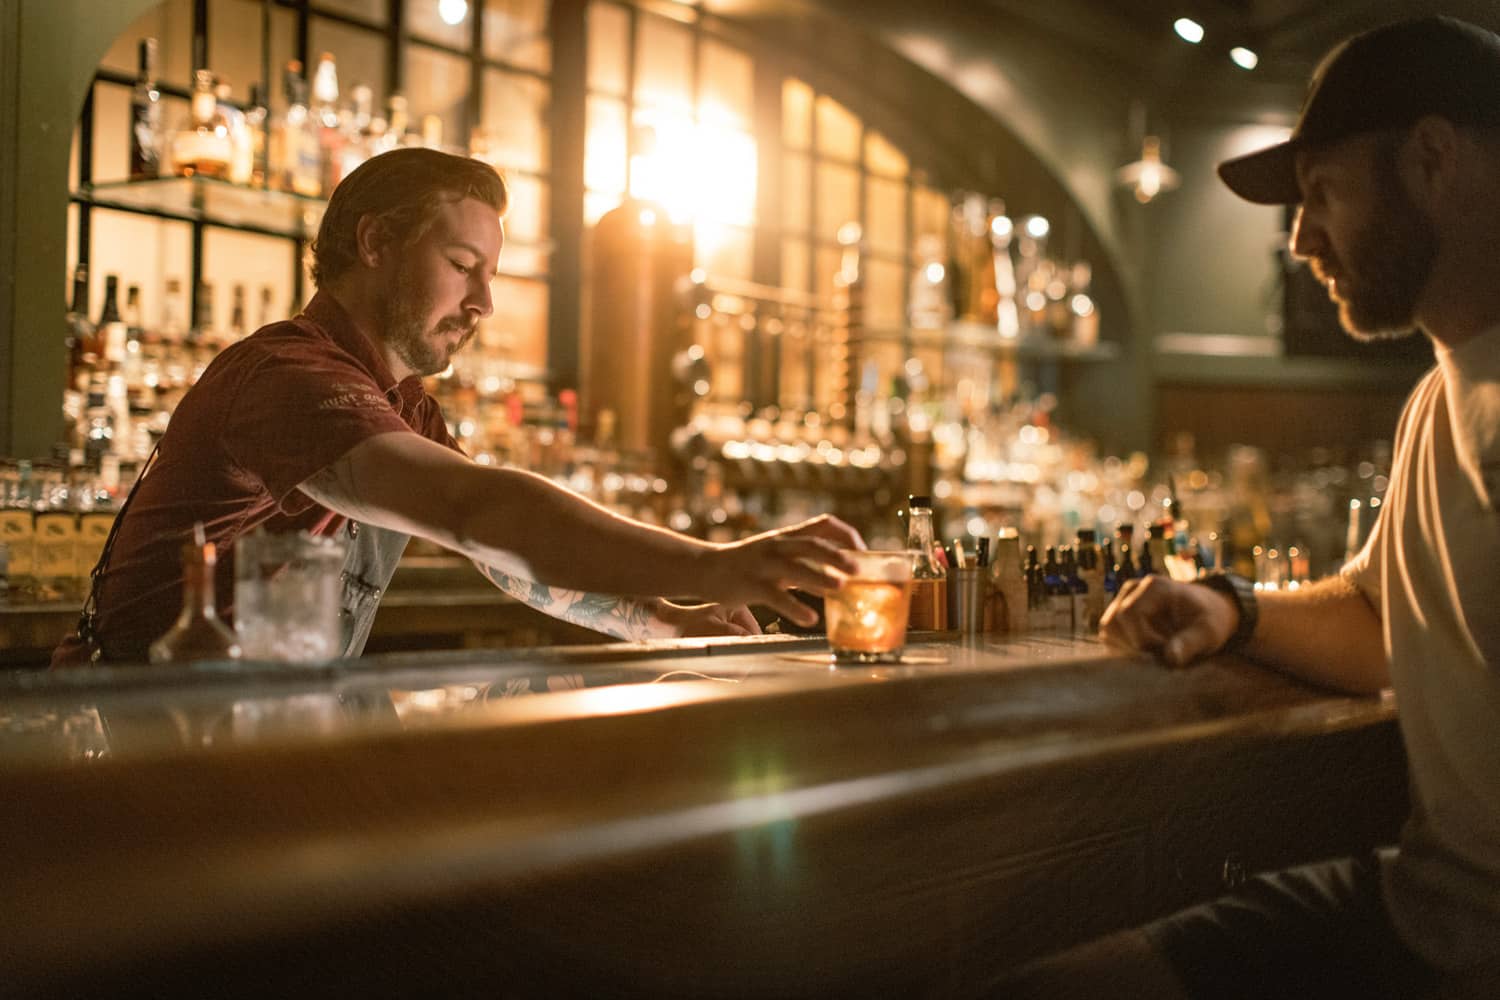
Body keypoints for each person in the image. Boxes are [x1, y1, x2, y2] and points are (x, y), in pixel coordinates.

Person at [1001, 15, 1500, 999]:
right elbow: (1385, 624)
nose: (1302, 241)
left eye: (1322, 194)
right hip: (1428, 911)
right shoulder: (1438, 399)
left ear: (1434, 157)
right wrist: (1232, 604)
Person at [54, 148, 863, 666]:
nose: (482, 302)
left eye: (491, 277)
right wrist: (713, 564)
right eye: (461, 264)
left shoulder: (404, 404)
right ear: (375, 244)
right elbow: (477, 511)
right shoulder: (285, 375)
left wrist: (666, 622)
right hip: (134, 734)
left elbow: (507, 559)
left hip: (248, 739)